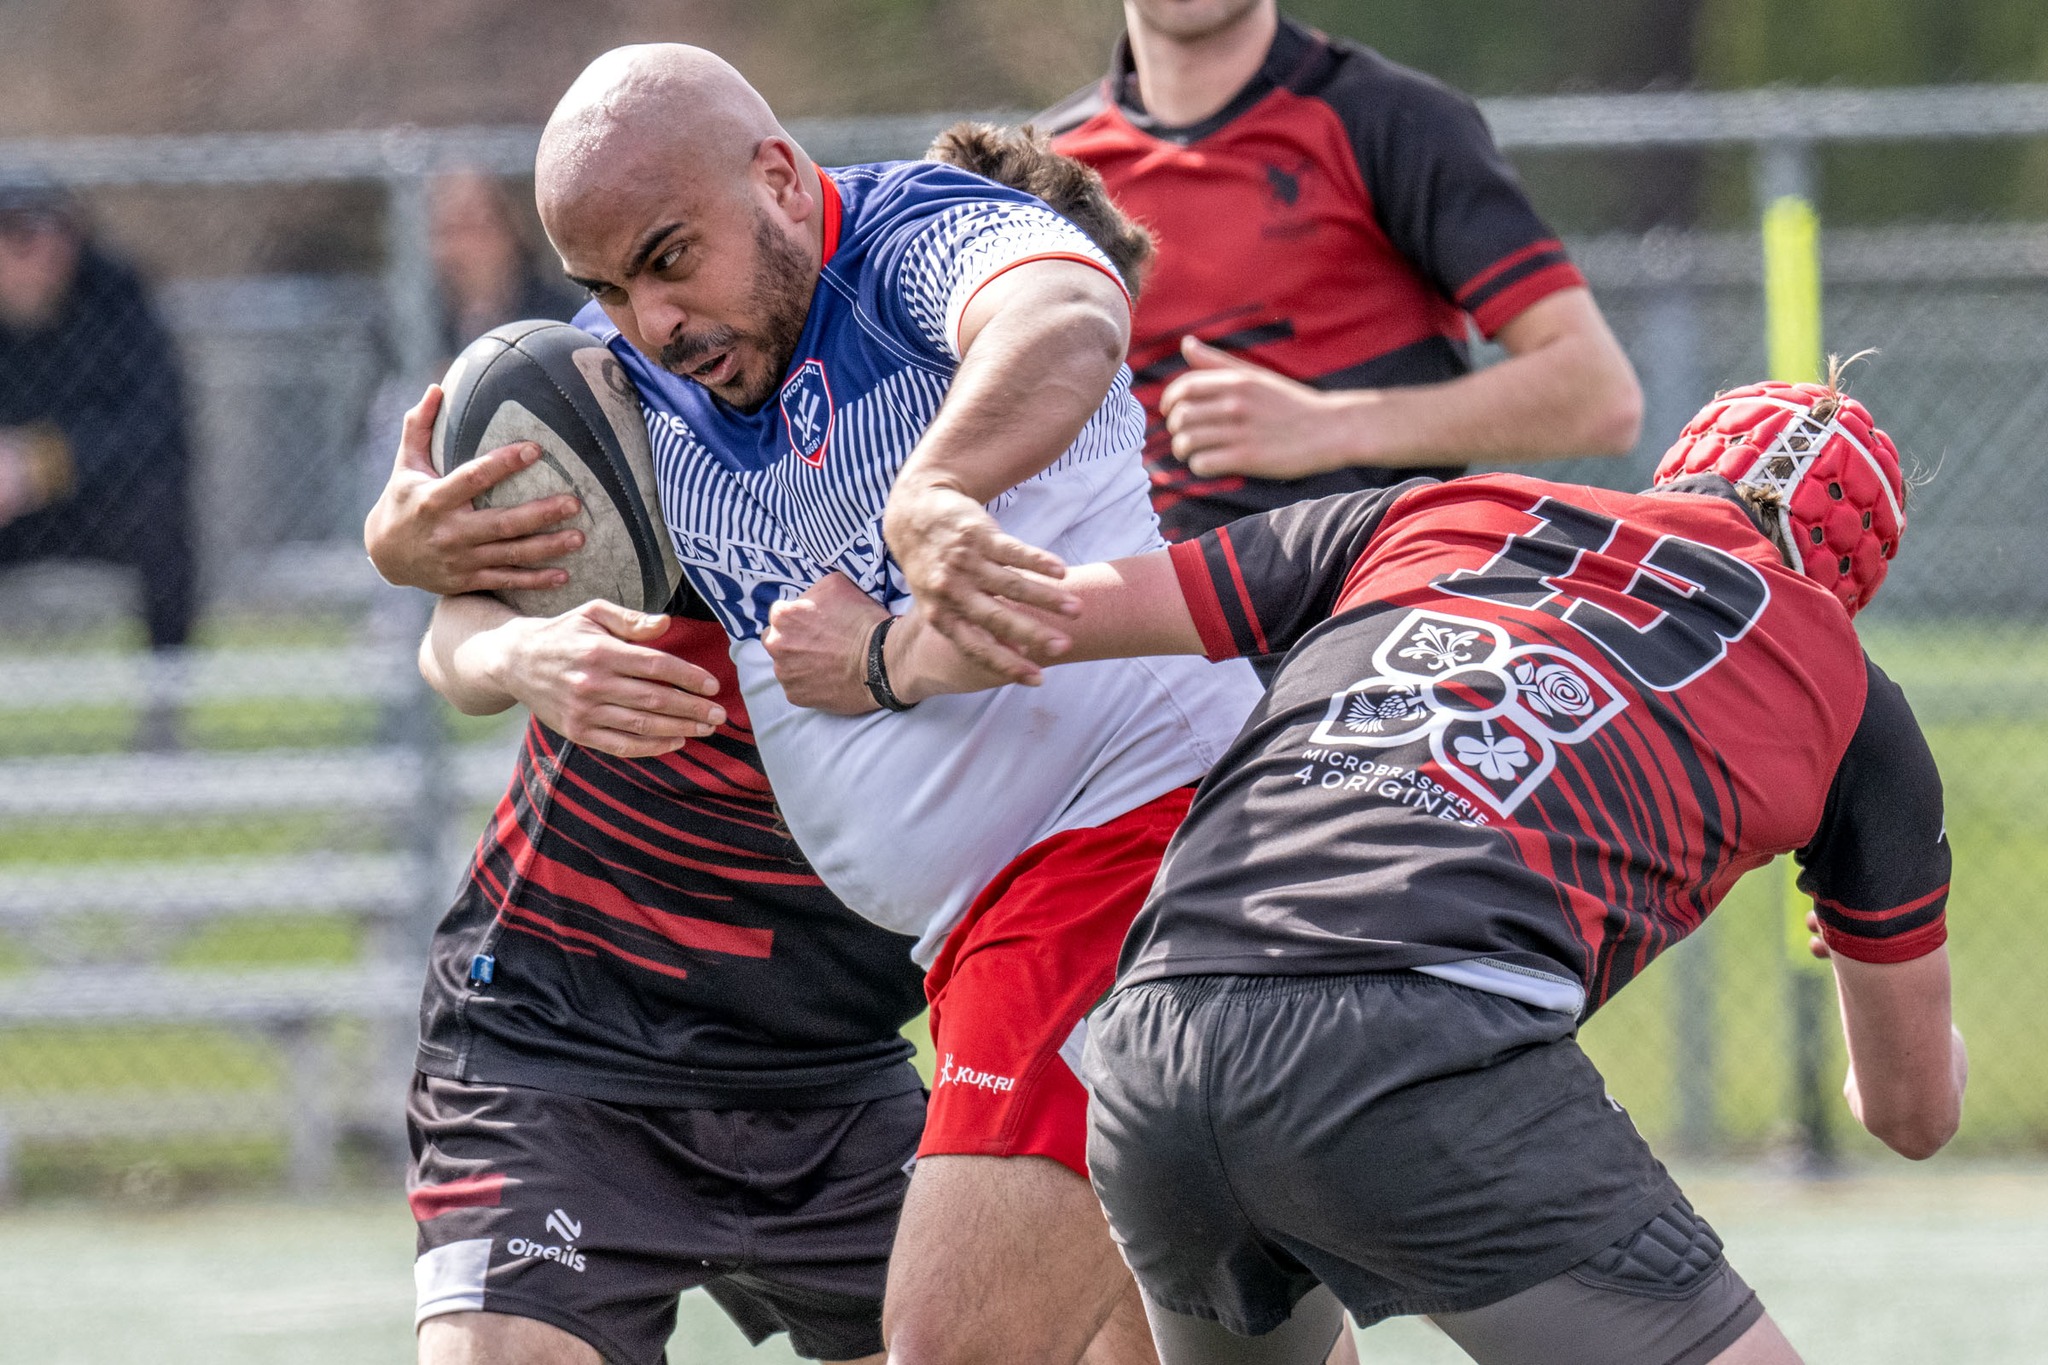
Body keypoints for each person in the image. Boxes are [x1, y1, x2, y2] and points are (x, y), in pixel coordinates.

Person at [407, 43, 1265, 1365]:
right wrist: (480, 623)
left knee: (992, 1333)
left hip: (942, 972)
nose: (650, 322)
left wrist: (929, 506)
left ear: (777, 179)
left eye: (670, 258)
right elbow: (460, 598)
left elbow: (1052, 316)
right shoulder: (642, 393)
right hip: (605, 1019)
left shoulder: (929, 276)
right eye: (608, 287)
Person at [832, 374, 1963, 1365]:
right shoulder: (1845, 690)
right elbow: (1909, 1114)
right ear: (1844, 584)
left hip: (1151, 1036)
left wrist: (875, 660)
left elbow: (1069, 610)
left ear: (1673, 469)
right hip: (1413, 1048)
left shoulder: (1445, 508)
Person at [370, 399, 929, 1365]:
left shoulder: (1025, 481)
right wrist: (520, 654)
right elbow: (454, 628)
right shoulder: (664, 404)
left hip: (834, 1056)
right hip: (560, 1038)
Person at [1041, 0, 1643, 541]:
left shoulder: (1391, 119)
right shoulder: (1045, 174)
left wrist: (1333, 427)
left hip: (1365, 608)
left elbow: (1598, 396)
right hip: (1134, 625)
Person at [0, 181, 197, 661]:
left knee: (162, 508)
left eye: (60, 234)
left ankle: (165, 697)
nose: (44, 255)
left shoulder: (113, 294)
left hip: (93, 499)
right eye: (20, 237)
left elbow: (155, 420)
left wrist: (40, 462)